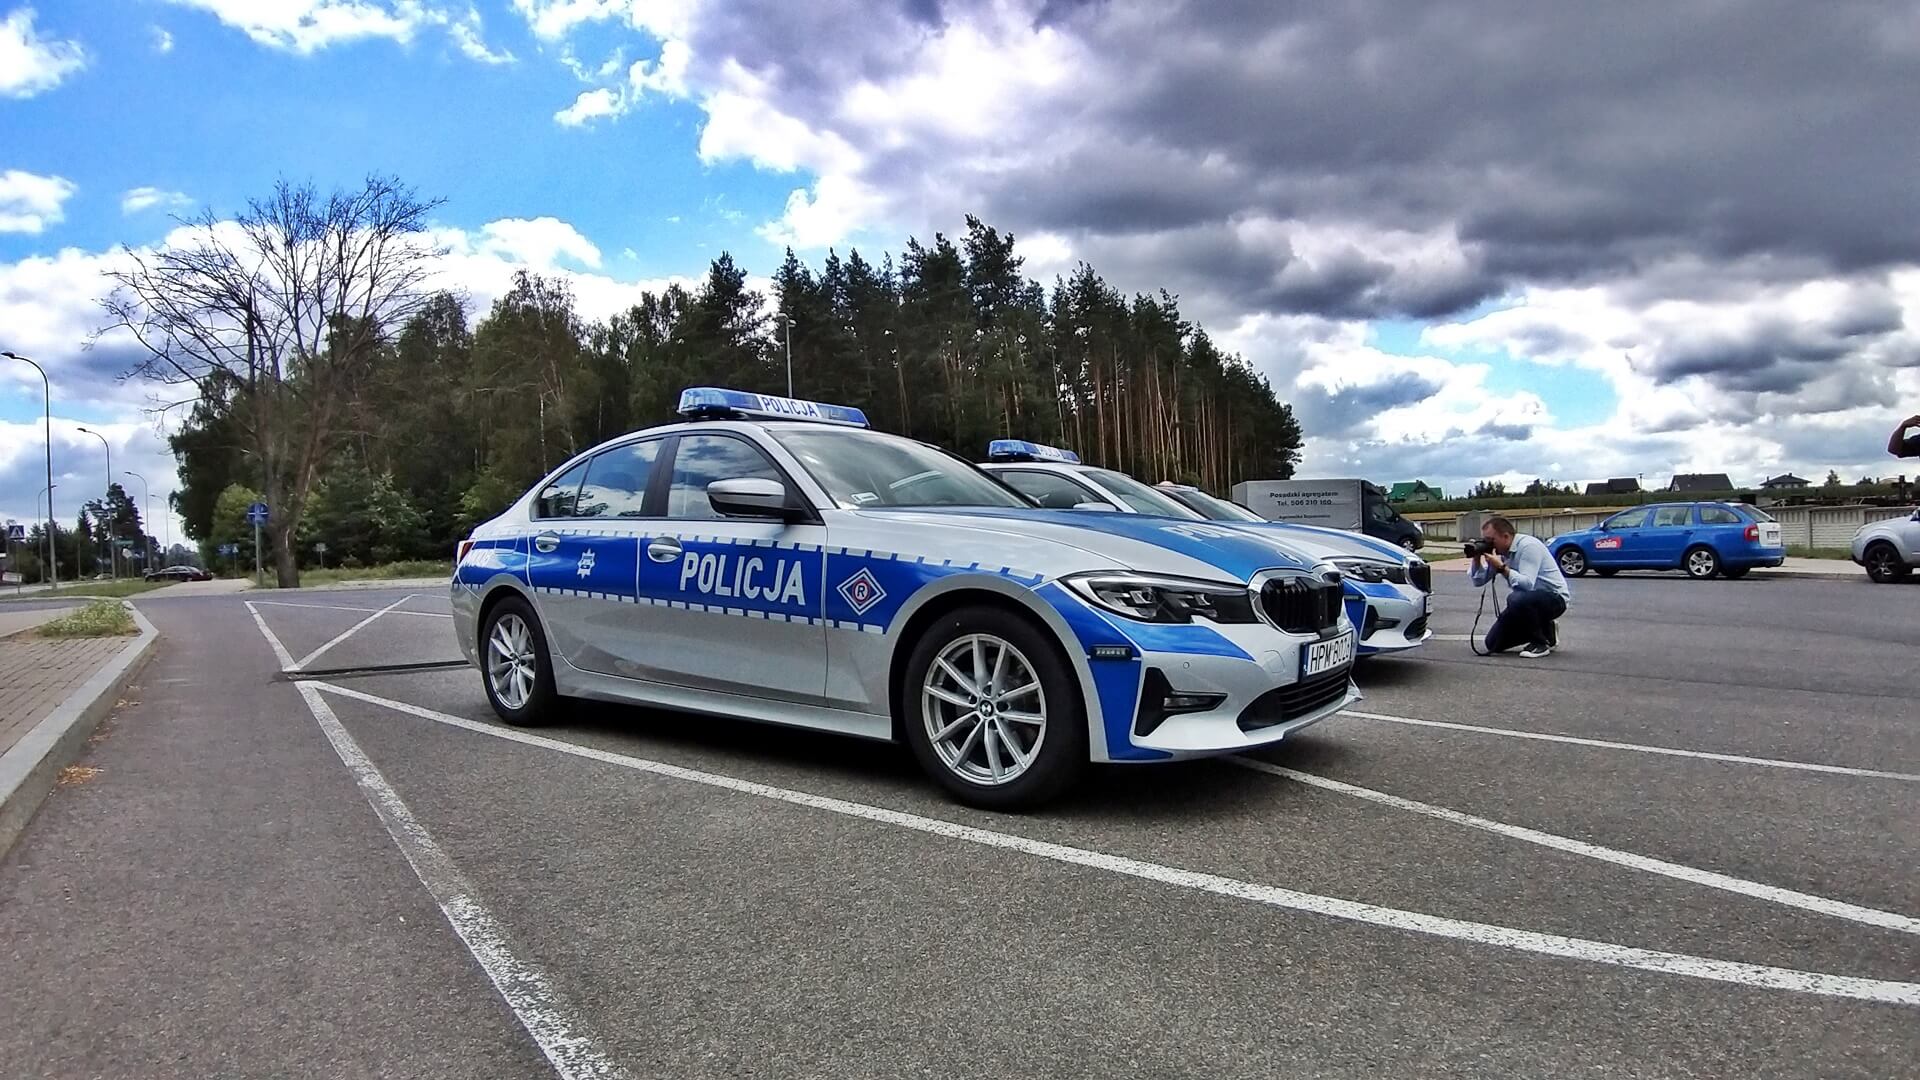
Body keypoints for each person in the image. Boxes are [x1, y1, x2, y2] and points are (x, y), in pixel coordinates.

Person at [1468, 515, 1571, 658]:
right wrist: (1476, 558)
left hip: (1554, 599)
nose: (1489, 544)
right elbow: (1478, 581)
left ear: (1505, 536)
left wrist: (1502, 568)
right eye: (1485, 540)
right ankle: (1547, 630)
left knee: (1515, 598)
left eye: (1491, 540)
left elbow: (1527, 585)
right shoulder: (1501, 552)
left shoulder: (1528, 546)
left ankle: (1540, 644)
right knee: (1492, 644)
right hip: (1526, 604)